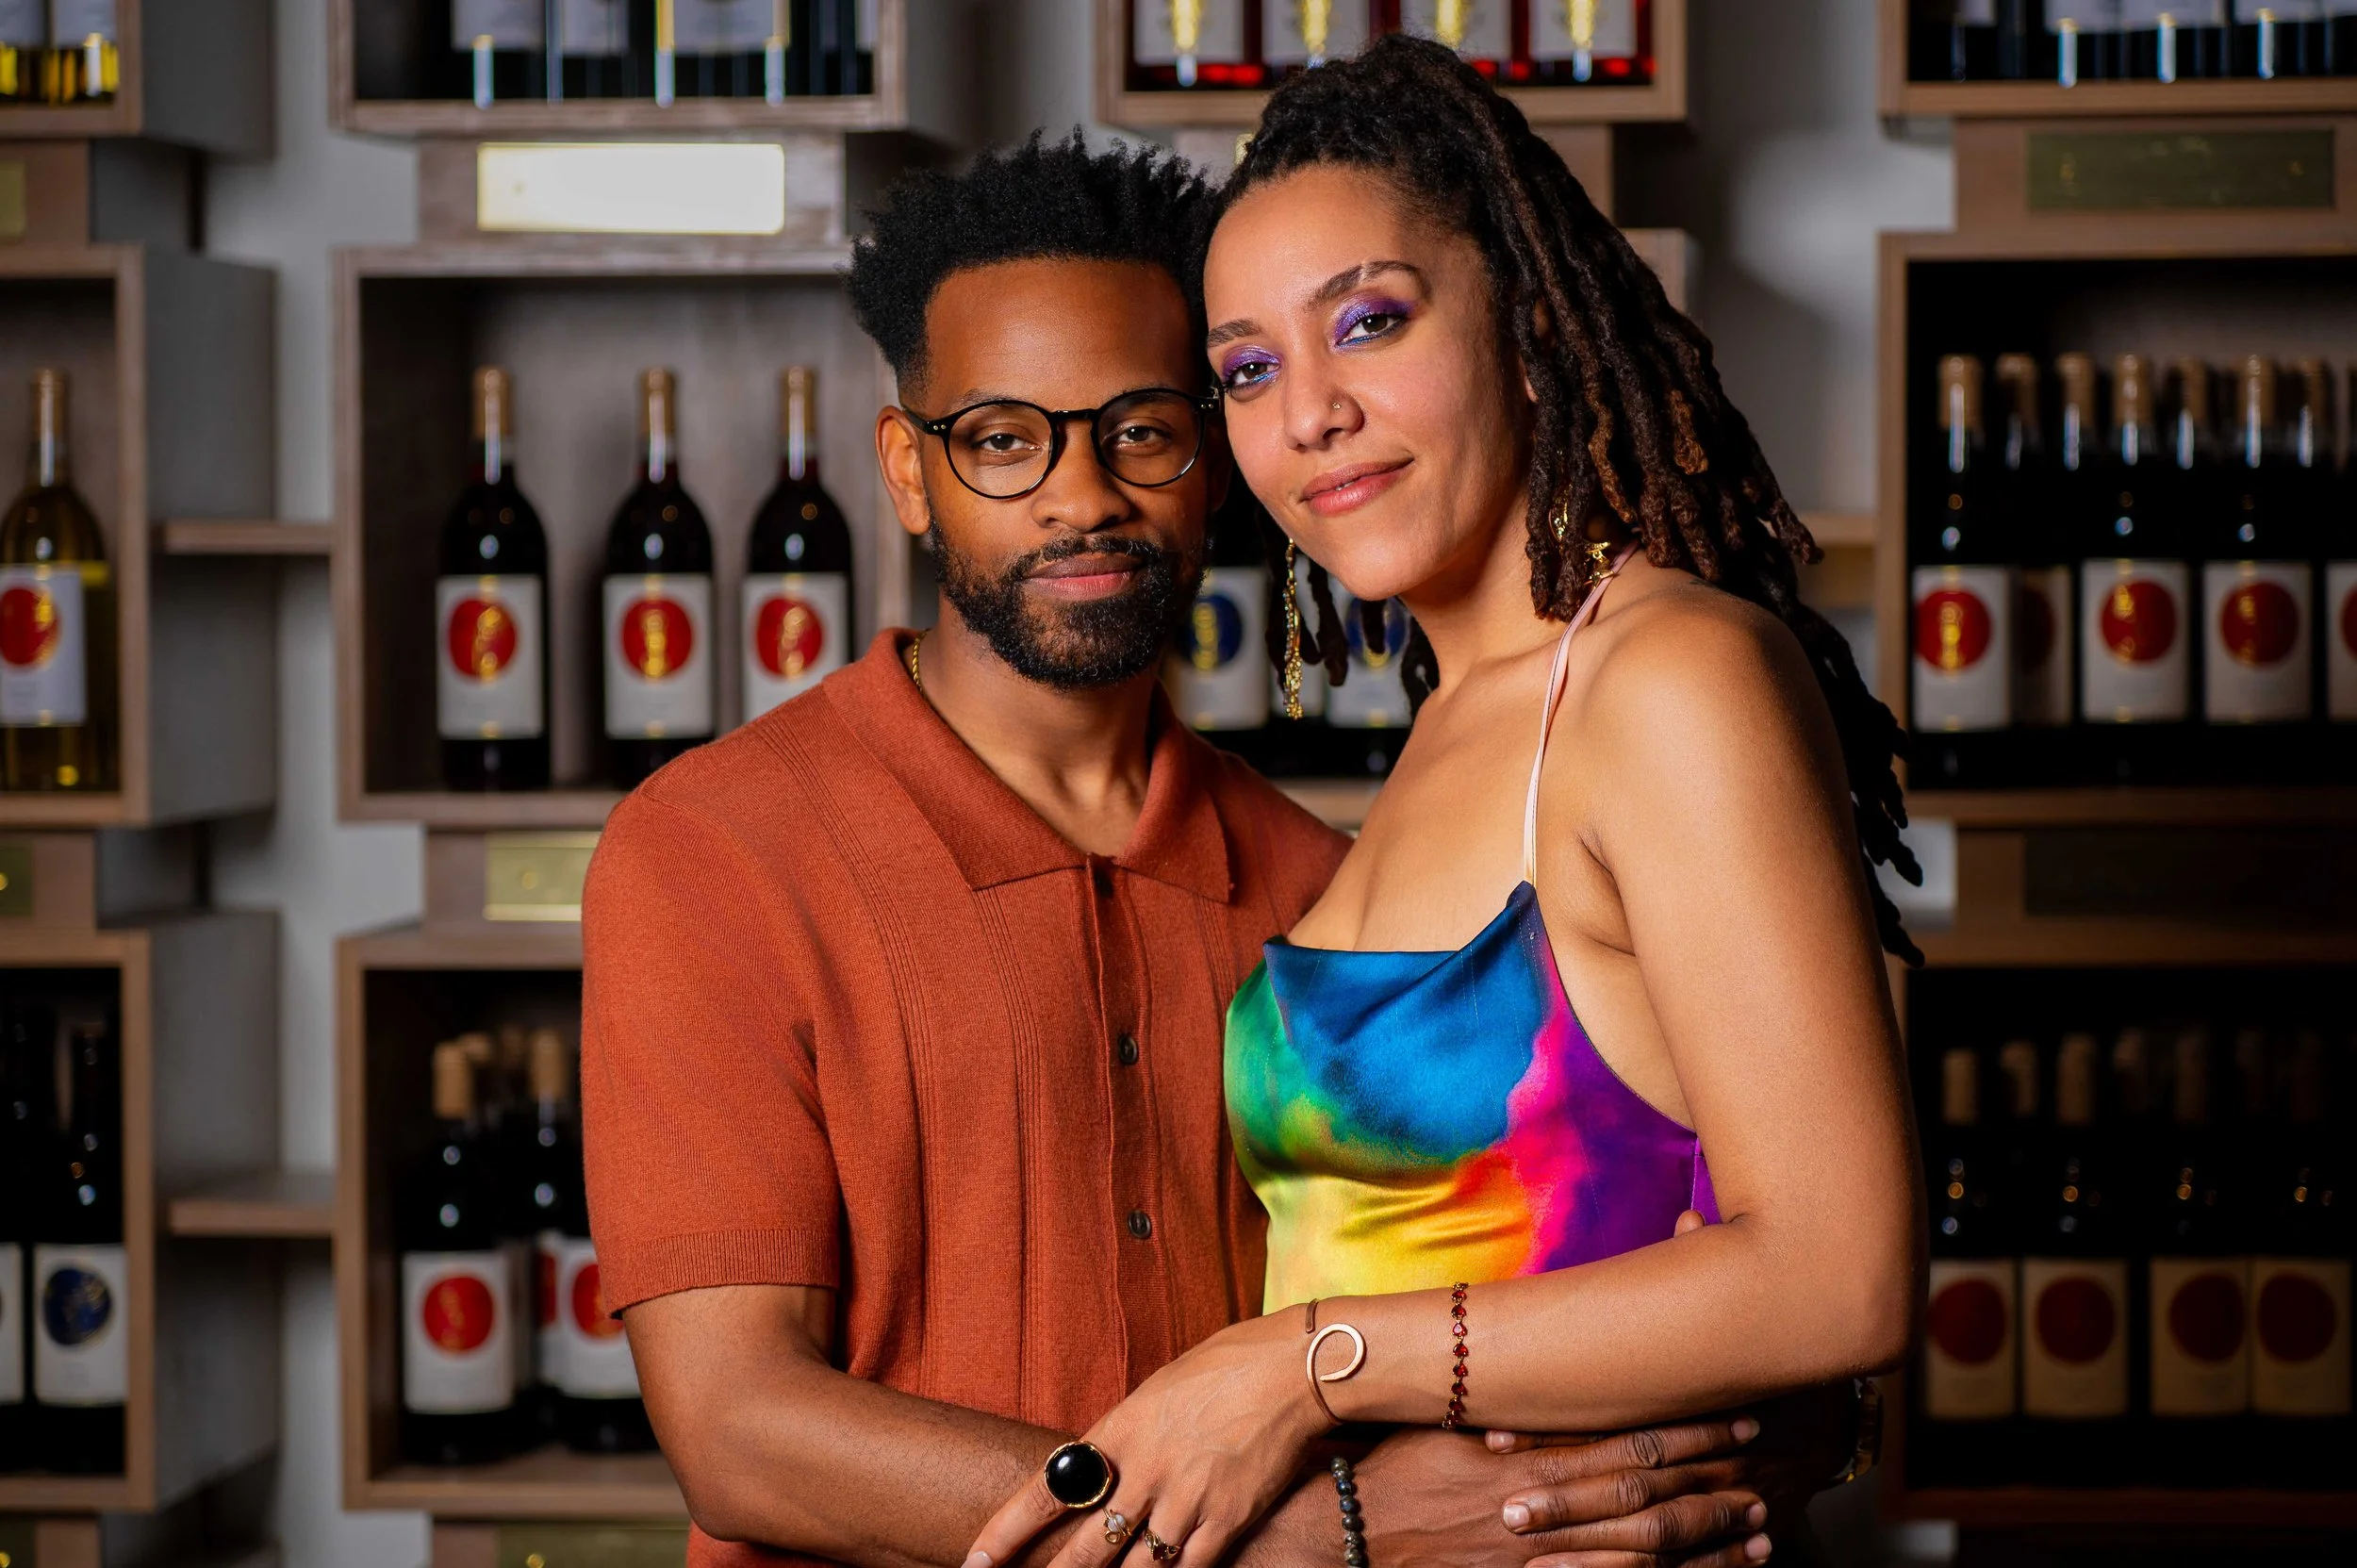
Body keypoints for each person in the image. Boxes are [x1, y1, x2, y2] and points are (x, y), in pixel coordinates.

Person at [581, 134, 1861, 1568]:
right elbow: (738, 1427)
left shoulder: (1323, 887)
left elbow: (1618, 1229)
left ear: (1209, 458)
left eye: (1143, 426)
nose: (1082, 496)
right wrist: (1299, 1535)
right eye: (1003, 438)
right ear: (909, 471)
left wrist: (1747, 1427)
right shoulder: (707, 852)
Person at [967, 41, 1921, 1568]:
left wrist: (1298, 1365)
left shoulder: (1664, 678)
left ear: (1528, 324)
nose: (1312, 413)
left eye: (1369, 322)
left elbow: (1838, 1271)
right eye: (1250, 370)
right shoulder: (1449, 727)